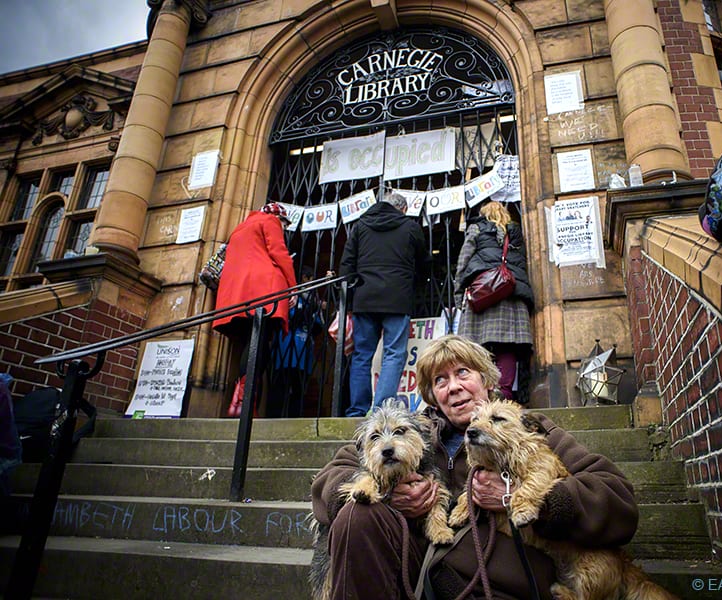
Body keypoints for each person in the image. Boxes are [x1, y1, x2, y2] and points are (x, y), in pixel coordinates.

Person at [310, 334, 639, 600]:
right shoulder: (413, 431)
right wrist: (385, 494)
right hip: (416, 571)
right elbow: (332, 476)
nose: (453, 386)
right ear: (433, 395)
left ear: (486, 380)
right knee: (358, 513)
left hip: (505, 579)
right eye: (440, 380)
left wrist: (526, 498)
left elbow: (616, 497)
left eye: (463, 373)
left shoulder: (528, 427)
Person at [339, 192, 427, 417]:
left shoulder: (361, 226)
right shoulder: (410, 227)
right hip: (397, 299)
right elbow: (424, 262)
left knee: (361, 355)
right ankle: (382, 409)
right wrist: (414, 289)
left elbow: (347, 264)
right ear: (402, 208)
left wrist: (349, 300)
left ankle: (357, 410)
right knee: (394, 353)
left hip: (365, 298)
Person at [212, 202, 298, 416]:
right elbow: (279, 252)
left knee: (250, 344)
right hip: (263, 291)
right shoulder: (270, 221)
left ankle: (238, 402)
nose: (284, 228)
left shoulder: (241, 227)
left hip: (238, 295)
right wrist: (293, 288)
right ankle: (244, 402)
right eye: (284, 224)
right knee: (260, 345)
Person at [454, 201, 534, 401]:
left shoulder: (477, 228)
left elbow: (463, 261)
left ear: (484, 214)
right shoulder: (515, 231)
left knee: (476, 352)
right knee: (507, 348)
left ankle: (479, 398)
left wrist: (458, 294)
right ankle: (503, 396)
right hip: (511, 296)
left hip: (483, 295)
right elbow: (524, 262)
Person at [268, 266, 324, 418]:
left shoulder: (313, 300)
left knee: (298, 390)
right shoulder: (292, 295)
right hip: (286, 348)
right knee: (280, 386)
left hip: (303, 350)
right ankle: (273, 418)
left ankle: (293, 418)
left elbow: (318, 326)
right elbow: (285, 317)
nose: (310, 283)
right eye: (308, 279)